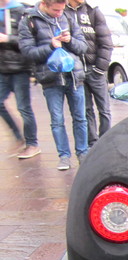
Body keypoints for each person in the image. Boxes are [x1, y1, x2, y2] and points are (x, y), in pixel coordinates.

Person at [18, 0, 88, 170]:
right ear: (44, 4)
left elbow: (83, 46)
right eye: (56, 10)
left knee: (80, 117)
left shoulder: (68, 16)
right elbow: (27, 52)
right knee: (57, 120)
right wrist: (50, 46)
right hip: (50, 78)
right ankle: (64, 156)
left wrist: (70, 40)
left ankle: (83, 153)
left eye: (62, 10)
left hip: (73, 75)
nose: (59, 13)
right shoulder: (29, 20)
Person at [65, 0, 112, 148]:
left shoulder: (93, 11)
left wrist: (100, 68)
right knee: (86, 110)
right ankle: (93, 143)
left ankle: (106, 142)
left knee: (104, 109)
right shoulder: (63, 12)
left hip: (95, 69)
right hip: (77, 71)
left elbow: (106, 42)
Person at [0, 0, 39, 159]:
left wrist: (7, 39)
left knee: (24, 108)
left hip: (19, 67)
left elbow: (27, 39)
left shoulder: (21, 11)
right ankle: (18, 136)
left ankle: (32, 144)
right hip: (2, 68)